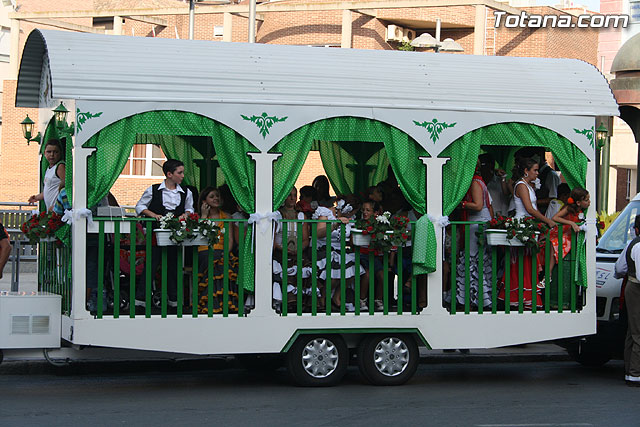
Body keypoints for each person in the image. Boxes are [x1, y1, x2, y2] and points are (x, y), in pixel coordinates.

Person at [134, 159, 194, 312]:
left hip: (175, 234)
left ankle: (174, 301)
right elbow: (140, 206)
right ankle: (141, 301)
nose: (183, 176)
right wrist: (153, 215)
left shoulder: (186, 192)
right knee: (151, 266)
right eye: (180, 172)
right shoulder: (153, 190)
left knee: (173, 266)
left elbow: (190, 209)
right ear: (169, 174)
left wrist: (185, 215)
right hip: (156, 233)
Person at [499, 157, 555, 309]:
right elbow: (529, 209)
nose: (537, 173)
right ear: (526, 171)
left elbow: (532, 209)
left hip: (529, 225)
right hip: (521, 226)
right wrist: (547, 221)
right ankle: (521, 296)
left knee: (528, 262)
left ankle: (525, 296)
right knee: (521, 263)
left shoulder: (528, 186)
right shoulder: (521, 186)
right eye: (535, 170)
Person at [196, 187, 239, 314]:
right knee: (214, 261)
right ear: (204, 201)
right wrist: (204, 215)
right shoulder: (198, 217)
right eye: (212, 196)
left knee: (224, 263)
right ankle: (213, 305)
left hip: (221, 251)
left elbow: (230, 239)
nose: (216, 198)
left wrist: (225, 253)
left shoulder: (227, 217)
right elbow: (199, 236)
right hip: (204, 251)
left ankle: (221, 304)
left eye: (217, 196)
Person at [548, 188, 590, 307]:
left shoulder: (585, 211)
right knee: (555, 246)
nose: (589, 202)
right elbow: (555, 218)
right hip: (563, 235)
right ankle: (548, 272)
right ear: (578, 202)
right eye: (586, 200)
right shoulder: (568, 208)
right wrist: (571, 223)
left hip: (572, 238)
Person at [272, 186, 310, 312]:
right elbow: (272, 240)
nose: (293, 198)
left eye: (295, 195)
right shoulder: (277, 215)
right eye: (289, 195)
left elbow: (305, 239)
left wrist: (299, 248)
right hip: (280, 254)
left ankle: (298, 305)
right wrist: (281, 248)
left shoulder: (301, 216)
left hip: (297, 253)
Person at [614, 214, 640, 387]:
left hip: (631, 286)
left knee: (633, 331)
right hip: (637, 288)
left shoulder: (632, 244)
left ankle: (630, 371)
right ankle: (635, 373)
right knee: (638, 332)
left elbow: (619, 269)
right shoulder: (639, 246)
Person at [28, 139, 65, 211]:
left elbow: (67, 188)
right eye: (49, 152)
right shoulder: (49, 168)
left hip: (58, 210)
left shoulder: (60, 166)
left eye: (55, 152)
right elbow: (49, 190)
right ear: (44, 153)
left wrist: (57, 206)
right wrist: (36, 198)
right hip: (51, 211)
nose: (52, 155)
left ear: (60, 153)